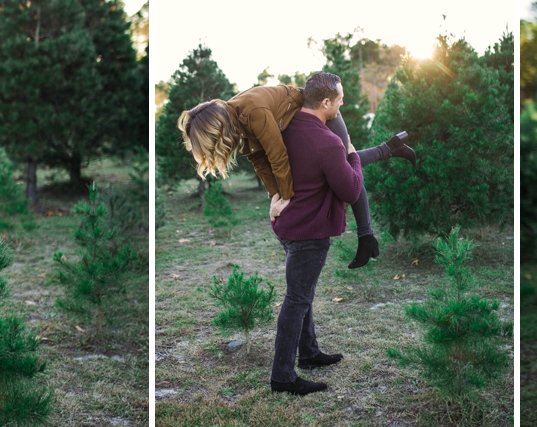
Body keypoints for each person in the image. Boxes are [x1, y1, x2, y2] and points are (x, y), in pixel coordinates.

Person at [178, 78, 417, 268]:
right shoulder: (235, 122)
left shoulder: (254, 113)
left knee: (344, 166)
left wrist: (287, 198)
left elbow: (277, 156)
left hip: (315, 106)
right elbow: (259, 159)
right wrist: (275, 195)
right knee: (338, 164)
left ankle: (366, 236)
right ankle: (390, 148)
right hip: (288, 119)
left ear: (216, 127)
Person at [261, 73, 363, 395]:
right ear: (326, 103)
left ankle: (309, 353)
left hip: (286, 225)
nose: (343, 104)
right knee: (297, 300)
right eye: (340, 99)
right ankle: (283, 378)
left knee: (301, 293)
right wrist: (353, 155)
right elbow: (350, 190)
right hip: (308, 232)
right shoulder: (328, 143)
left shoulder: (286, 128)